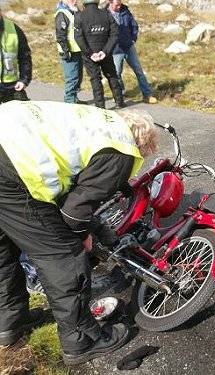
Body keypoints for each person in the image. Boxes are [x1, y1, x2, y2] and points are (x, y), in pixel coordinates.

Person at [0, 100, 158, 365]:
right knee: (64, 255)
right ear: (143, 142)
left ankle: (9, 322)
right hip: (11, 167)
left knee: (4, 251)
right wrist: (83, 236)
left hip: (7, 139)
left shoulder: (95, 121)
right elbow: (74, 211)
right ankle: (81, 341)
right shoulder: (122, 147)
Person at [74, 0, 125, 109]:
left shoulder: (79, 16)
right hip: (105, 52)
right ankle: (119, 102)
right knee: (112, 75)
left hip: (90, 54)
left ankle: (100, 106)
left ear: (84, 3)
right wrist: (105, 51)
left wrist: (89, 53)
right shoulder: (106, 13)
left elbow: (78, 38)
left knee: (95, 78)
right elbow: (114, 33)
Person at [107, 0, 158, 104]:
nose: (119, 6)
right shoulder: (104, 14)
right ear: (110, 2)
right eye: (117, 5)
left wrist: (133, 38)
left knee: (139, 71)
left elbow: (133, 25)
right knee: (117, 73)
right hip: (115, 50)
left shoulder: (125, 10)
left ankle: (147, 95)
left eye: (120, 4)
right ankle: (119, 94)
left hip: (129, 47)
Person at [0, 7, 32, 103]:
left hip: (12, 86)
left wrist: (24, 80)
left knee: (25, 113)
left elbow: (25, 56)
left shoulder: (14, 29)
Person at [55, 0, 83, 104]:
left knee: (78, 76)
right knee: (71, 77)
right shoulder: (62, 13)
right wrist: (66, 51)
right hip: (69, 51)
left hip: (77, 49)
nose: (75, 1)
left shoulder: (75, 11)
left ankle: (74, 98)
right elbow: (60, 34)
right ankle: (69, 101)